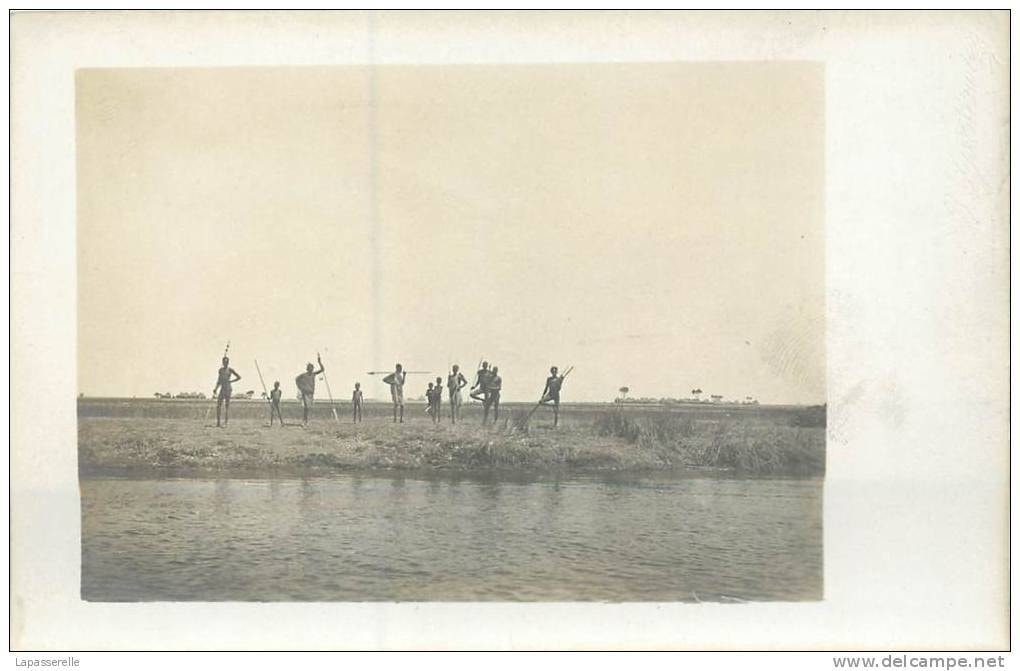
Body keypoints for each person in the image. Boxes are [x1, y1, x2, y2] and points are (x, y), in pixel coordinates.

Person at [295, 355, 325, 425]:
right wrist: (300, 387)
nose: (312, 369)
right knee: (306, 407)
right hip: (304, 393)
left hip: (310, 393)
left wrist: (319, 362)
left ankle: (305, 420)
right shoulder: (304, 375)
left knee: (307, 408)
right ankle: (305, 421)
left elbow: (322, 369)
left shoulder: (313, 374)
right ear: (308, 369)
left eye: (312, 368)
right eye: (310, 368)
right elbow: (296, 379)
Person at [212, 356, 241, 428]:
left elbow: (239, 377)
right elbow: (219, 381)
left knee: (227, 406)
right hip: (222, 389)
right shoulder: (220, 370)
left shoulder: (230, 370)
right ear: (222, 362)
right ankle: (218, 423)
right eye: (224, 362)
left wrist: (231, 381)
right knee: (218, 405)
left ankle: (226, 422)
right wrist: (215, 389)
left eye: (226, 362)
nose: (225, 363)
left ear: (228, 362)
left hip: (228, 389)